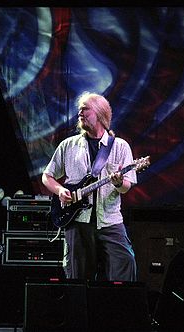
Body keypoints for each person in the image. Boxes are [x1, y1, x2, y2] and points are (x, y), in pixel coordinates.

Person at [42, 91, 137, 281]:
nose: (80, 113)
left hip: (110, 221)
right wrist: (60, 190)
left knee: (125, 264)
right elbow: (47, 176)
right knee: (77, 277)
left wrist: (118, 182)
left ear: (100, 114)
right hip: (77, 222)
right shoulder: (69, 145)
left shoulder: (120, 146)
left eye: (85, 109)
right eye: (79, 110)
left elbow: (126, 187)